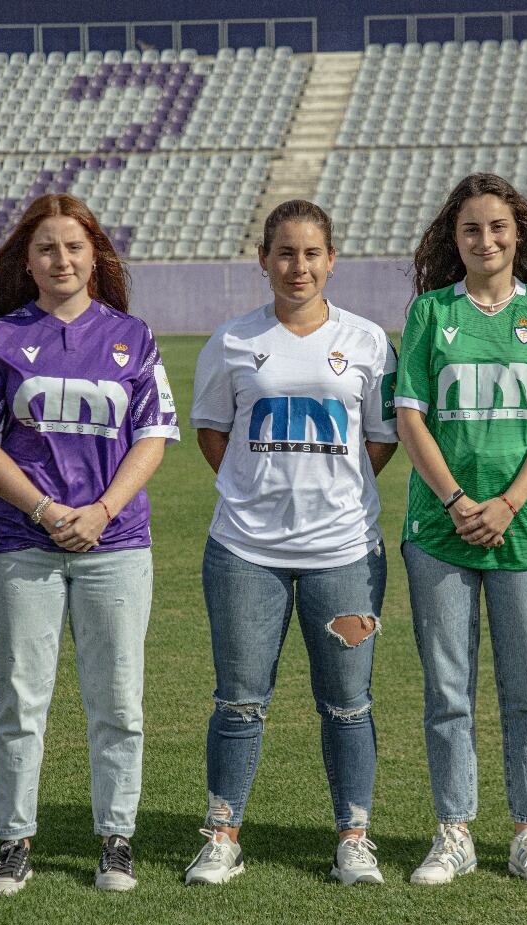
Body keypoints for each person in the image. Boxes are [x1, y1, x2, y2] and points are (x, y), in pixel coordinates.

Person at [0, 193, 178, 895]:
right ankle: (14, 841)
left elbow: (153, 435)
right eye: (47, 248)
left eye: (74, 247)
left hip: (117, 545)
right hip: (23, 540)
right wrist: (49, 510)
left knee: (118, 701)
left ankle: (116, 840)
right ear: (28, 260)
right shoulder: (0, 338)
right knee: (20, 699)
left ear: (94, 255)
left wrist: (102, 511)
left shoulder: (132, 337)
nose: (62, 259)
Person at [183, 200, 398, 886]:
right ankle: (222, 837)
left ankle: (353, 839)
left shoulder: (367, 340)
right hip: (246, 551)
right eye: (285, 253)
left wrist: (331, 490)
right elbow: (214, 431)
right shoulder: (234, 340)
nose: (298, 266)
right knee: (240, 700)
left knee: (348, 703)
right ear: (264, 259)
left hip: (346, 553)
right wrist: (259, 489)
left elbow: (380, 439)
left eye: (311, 253)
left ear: (332, 260)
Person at [394, 173, 527, 886]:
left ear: (520, 236)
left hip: (526, 530)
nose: (486, 240)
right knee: (449, 690)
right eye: (472, 229)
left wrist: (507, 503)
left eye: (499, 228)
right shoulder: (428, 315)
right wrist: (455, 502)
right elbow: (409, 415)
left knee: (526, 691)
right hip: (440, 531)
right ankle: (454, 832)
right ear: (456, 238)